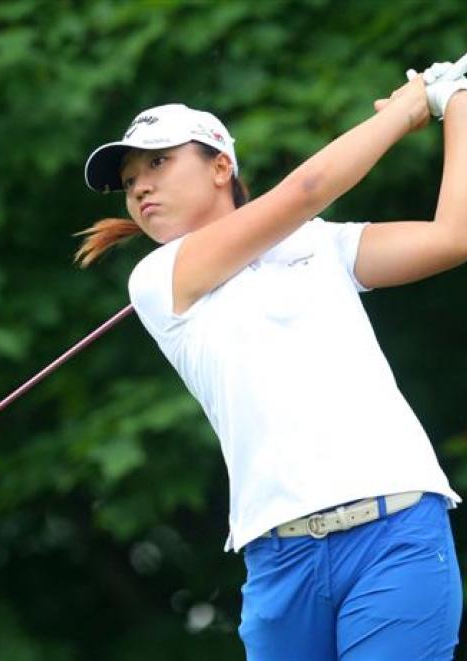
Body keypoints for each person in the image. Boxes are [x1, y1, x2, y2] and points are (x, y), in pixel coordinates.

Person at [78, 65, 466, 660]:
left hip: (397, 534)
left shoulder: (320, 243)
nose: (141, 188)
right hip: (281, 561)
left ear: (220, 166)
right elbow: (306, 189)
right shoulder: (157, 278)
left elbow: (451, 238)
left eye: (158, 163)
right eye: (130, 181)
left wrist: (456, 100)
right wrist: (407, 110)